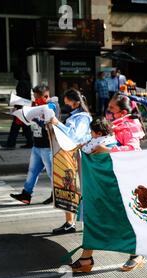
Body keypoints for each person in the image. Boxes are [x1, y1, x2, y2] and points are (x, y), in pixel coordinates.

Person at [70, 93, 146, 273]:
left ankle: (136, 253)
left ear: (123, 112)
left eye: (112, 109)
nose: (108, 111)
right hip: (102, 178)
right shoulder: (114, 124)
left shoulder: (131, 125)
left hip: (121, 179)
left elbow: (133, 150)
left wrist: (107, 150)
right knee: (95, 214)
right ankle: (86, 258)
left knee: (119, 216)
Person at [50, 89, 92, 234]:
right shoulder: (75, 116)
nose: (65, 103)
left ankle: (84, 221)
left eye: (67, 101)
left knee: (77, 188)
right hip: (69, 154)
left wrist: (58, 124)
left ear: (75, 102)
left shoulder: (83, 117)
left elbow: (75, 136)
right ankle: (69, 222)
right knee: (68, 187)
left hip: (78, 156)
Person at [10, 85, 59, 205]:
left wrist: (35, 118)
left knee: (52, 173)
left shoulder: (52, 106)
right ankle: (26, 195)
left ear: (46, 96)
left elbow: (48, 124)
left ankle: (57, 195)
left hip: (47, 147)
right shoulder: (37, 106)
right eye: (35, 97)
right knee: (32, 171)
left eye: (38, 97)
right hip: (37, 146)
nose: (35, 100)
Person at [2, 69, 33, 149]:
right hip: (25, 107)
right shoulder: (27, 82)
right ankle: (30, 142)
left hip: (21, 108)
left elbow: (20, 96)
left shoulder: (21, 83)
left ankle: (11, 143)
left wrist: (16, 106)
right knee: (25, 126)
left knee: (15, 127)